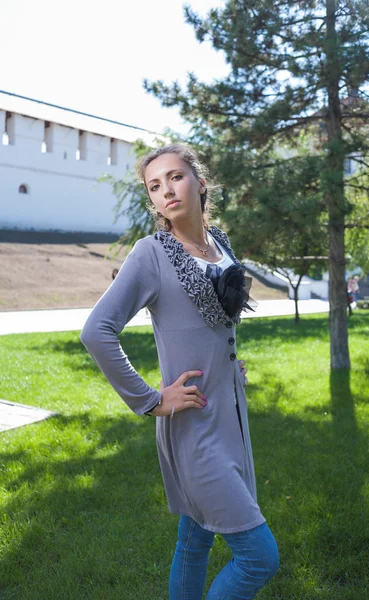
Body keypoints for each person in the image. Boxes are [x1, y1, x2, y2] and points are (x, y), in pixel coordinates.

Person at [80, 144, 279, 599]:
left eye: (175, 177)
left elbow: (217, 328)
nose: (166, 190)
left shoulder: (220, 244)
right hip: (193, 429)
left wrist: (229, 365)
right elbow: (97, 332)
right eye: (154, 186)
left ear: (200, 182)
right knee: (259, 558)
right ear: (151, 200)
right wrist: (151, 399)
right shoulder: (150, 254)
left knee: (195, 542)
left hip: (231, 417)